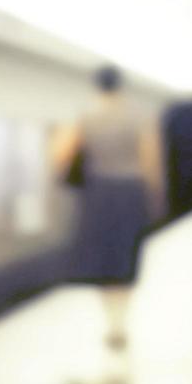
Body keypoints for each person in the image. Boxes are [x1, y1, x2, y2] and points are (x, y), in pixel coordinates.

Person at [53, 65, 166, 350]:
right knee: (126, 255)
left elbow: (61, 154)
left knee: (103, 258)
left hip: (98, 192)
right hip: (130, 191)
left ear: (96, 86)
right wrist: (155, 194)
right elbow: (150, 157)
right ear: (121, 86)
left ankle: (111, 322)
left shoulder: (85, 116)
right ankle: (122, 321)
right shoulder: (139, 116)